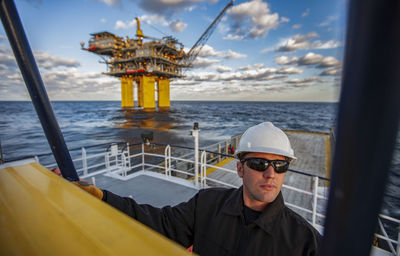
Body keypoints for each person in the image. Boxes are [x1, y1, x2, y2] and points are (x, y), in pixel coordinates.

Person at [73, 122, 321, 255]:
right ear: (240, 169)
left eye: (280, 166)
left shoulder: (306, 242)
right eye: (259, 163)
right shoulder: (207, 204)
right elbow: (160, 223)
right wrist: (103, 198)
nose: (270, 173)